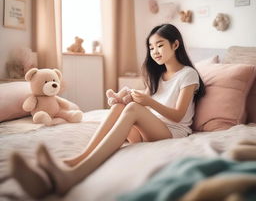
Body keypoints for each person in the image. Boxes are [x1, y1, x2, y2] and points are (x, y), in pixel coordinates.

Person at [10, 24, 205, 198]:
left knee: (133, 109)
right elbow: (142, 101)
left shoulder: (188, 74)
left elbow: (178, 114)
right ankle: (79, 157)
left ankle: (77, 172)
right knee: (122, 106)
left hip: (172, 131)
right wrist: (123, 98)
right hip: (150, 129)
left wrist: (146, 103)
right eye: (151, 47)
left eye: (160, 45)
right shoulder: (158, 74)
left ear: (175, 45)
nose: (154, 51)